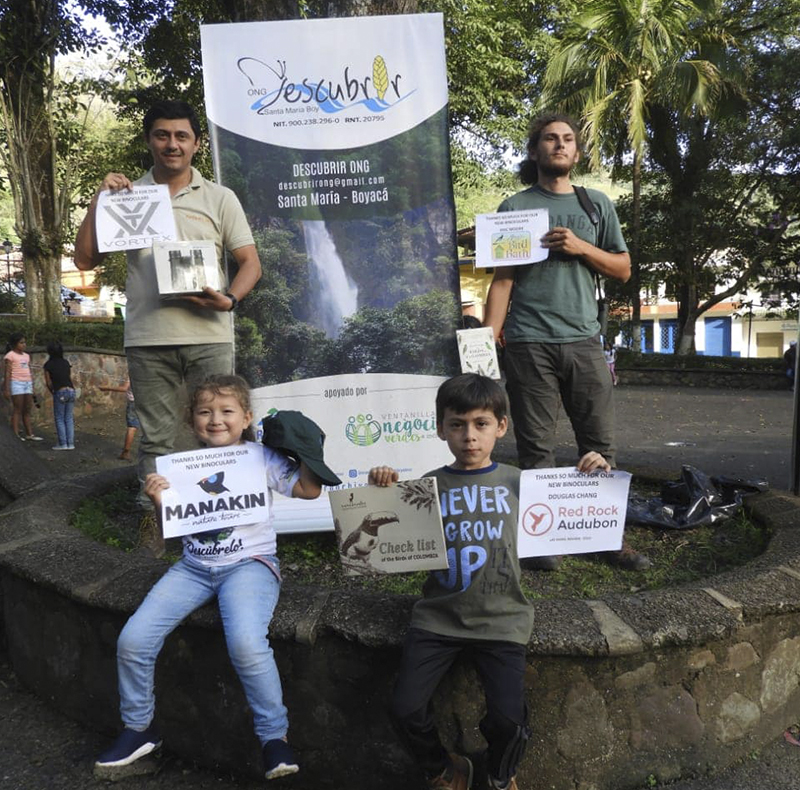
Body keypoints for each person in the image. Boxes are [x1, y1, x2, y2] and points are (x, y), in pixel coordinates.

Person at [369, 373, 609, 790]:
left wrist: (595, 475)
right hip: (437, 619)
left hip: (503, 620)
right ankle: (443, 770)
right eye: (457, 424)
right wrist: (381, 488)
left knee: (509, 721)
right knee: (404, 707)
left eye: (481, 424)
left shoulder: (522, 483)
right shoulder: (425, 488)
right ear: (440, 427)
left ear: (501, 426)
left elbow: (583, 512)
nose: (469, 436)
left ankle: (500, 775)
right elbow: (384, 532)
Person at [94, 375, 325, 780]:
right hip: (193, 568)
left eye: (226, 411)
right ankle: (139, 729)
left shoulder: (261, 457)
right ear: (191, 419)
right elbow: (173, 532)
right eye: (204, 412)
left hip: (250, 565)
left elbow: (308, 489)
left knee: (246, 644)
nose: (215, 420)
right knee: (134, 639)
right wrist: (159, 499)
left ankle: (274, 738)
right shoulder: (182, 467)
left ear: (246, 417)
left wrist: (303, 448)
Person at [73, 99, 262, 531]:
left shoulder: (219, 197)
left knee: (215, 435)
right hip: (147, 338)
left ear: (196, 143)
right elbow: (84, 261)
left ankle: (217, 526)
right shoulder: (128, 197)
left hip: (210, 336)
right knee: (156, 438)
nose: (172, 144)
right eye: (162, 135)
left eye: (181, 136)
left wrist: (230, 299)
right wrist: (98, 202)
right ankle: (156, 528)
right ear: (149, 141)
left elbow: (250, 263)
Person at [483, 113, 647, 571]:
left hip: (583, 340)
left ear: (577, 152)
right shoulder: (514, 207)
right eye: (550, 139)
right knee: (536, 446)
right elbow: (502, 280)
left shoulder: (596, 205)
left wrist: (580, 247)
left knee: (599, 442)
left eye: (568, 139)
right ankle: (541, 541)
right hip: (527, 340)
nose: (559, 145)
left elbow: (622, 268)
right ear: (534, 150)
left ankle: (607, 537)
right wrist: (488, 338)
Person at [3, 332, 43, 442]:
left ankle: (29, 434)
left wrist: (32, 386)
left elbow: (28, 370)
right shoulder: (10, 356)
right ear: (15, 344)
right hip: (17, 383)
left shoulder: (26, 356)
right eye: (21, 343)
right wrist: (6, 388)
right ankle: (15, 435)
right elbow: (7, 373)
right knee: (17, 409)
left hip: (27, 383)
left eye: (25, 342)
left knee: (27, 409)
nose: (24, 345)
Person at [43, 341, 76, 450]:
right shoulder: (66, 362)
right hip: (71, 390)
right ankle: (70, 444)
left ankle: (63, 443)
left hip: (60, 391)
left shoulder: (48, 365)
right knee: (69, 418)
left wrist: (53, 392)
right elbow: (68, 377)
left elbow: (48, 383)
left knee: (60, 418)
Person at [99, 379, 139, 460]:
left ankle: (126, 452)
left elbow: (124, 388)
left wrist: (107, 387)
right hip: (145, 402)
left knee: (132, 427)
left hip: (133, 403)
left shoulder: (133, 371)